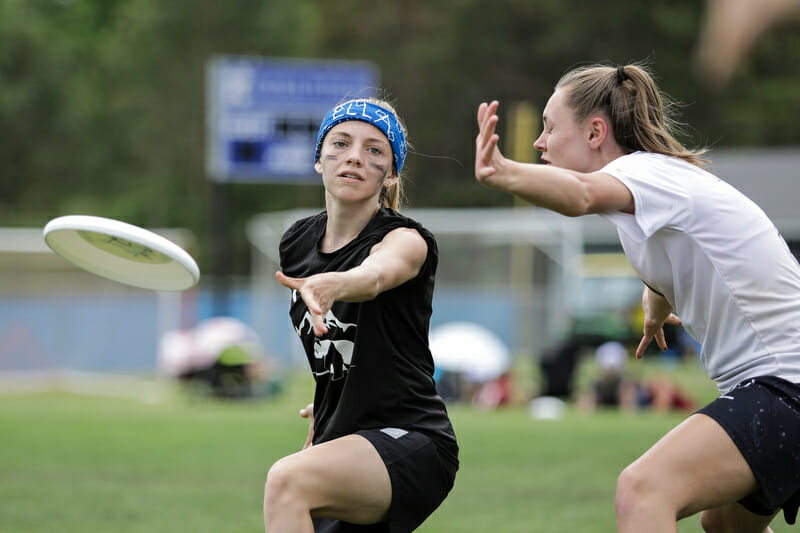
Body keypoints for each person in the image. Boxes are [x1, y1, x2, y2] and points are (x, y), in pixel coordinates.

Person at [474, 62, 800, 532]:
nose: (540, 142)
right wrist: (655, 307)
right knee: (727, 526)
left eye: (549, 127)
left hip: (785, 384)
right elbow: (680, 250)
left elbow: (582, 195)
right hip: (777, 387)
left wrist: (502, 171)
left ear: (595, 132)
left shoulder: (643, 171)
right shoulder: (651, 190)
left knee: (643, 489)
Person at [264, 97, 459, 533]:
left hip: (412, 438)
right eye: (340, 143)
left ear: (390, 174)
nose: (354, 156)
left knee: (286, 481)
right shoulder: (296, 243)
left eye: (375, 150)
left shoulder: (407, 240)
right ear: (319, 160)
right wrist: (329, 399)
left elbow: (375, 275)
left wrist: (334, 282)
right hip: (343, 438)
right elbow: (344, 349)